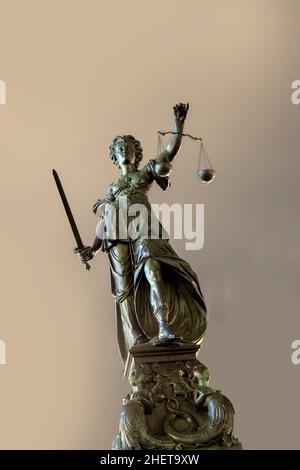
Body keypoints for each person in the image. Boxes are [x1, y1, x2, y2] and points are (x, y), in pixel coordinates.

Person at [75, 103, 207, 365]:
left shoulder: (143, 174)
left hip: (144, 230)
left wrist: (178, 128)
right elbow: (104, 224)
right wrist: (93, 248)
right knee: (125, 288)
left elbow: (168, 154)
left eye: (129, 148)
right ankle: (138, 334)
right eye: (119, 149)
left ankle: (164, 325)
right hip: (120, 238)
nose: (124, 152)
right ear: (114, 156)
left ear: (136, 154)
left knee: (154, 270)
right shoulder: (112, 189)